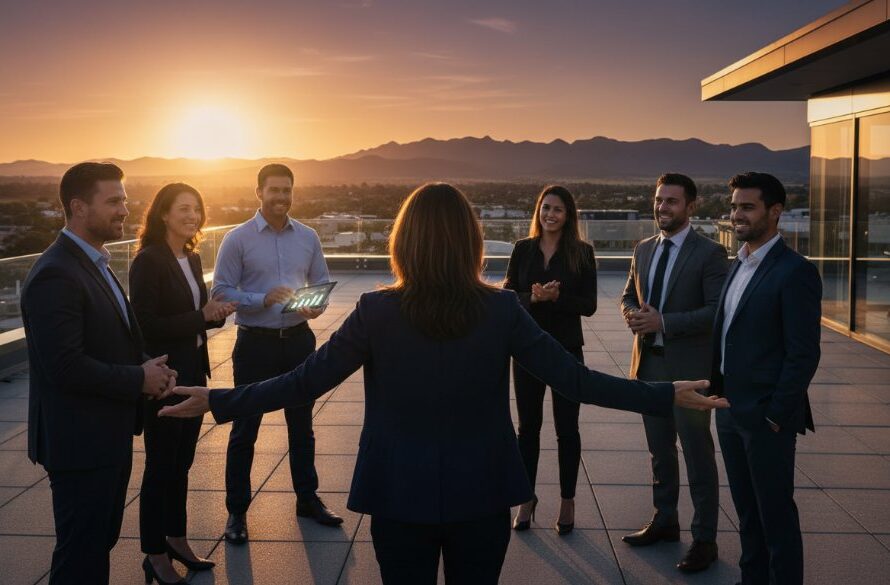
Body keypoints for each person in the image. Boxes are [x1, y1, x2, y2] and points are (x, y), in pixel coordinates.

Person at [160, 182, 729, 585]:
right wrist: (663, 391)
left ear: (404, 240)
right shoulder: (502, 309)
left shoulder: (376, 312)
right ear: (470, 240)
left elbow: (304, 382)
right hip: (481, 494)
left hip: (397, 492)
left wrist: (219, 400)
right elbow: (576, 382)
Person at [21, 162, 176, 585]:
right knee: (80, 557)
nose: (125, 209)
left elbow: (115, 336)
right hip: (79, 443)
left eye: (124, 199)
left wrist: (151, 368)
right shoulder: (56, 273)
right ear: (78, 207)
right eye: (113, 201)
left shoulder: (97, 261)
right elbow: (64, 367)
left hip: (106, 435)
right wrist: (136, 379)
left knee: (96, 543)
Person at [212, 163, 341, 544]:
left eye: (287, 190)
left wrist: (314, 305)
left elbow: (319, 283)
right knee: (244, 428)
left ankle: (307, 499)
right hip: (255, 344)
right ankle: (236, 512)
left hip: (299, 340)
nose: (281, 197)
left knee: (302, 427)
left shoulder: (308, 236)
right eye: (274, 190)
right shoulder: (237, 239)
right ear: (259, 192)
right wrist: (260, 298)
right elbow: (221, 292)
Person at [711, 172, 821, 585]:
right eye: (735, 206)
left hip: (766, 419)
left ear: (775, 212)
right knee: (747, 515)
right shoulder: (736, 263)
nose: (737, 214)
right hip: (729, 410)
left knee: (775, 517)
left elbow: (803, 352)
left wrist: (776, 413)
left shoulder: (795, 272)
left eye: (747, 207)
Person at [619, 173, 728, 572]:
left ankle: (705, 540)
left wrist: (665, 322)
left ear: (691, 206)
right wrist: (633, 315)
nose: (662, 207)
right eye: (659, 200)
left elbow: (718, 311)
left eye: (672, 201)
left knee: (698, 454)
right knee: (659, 450)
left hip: (690, 371)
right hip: (649, 365)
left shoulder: (710, 254)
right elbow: (629, 295)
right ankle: (665, 520)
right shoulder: (643, 248)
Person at [129, 183, 237, 584]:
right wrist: (200, 316)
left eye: (197, 208)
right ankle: (154, 554)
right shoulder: (149, 261)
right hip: (165, 376)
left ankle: (176, 538)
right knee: (160, 467)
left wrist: (216, 314)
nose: (192, 216)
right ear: (163, 214)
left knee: (182, 464)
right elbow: (145, 325)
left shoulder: (190, 258)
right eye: (183, 209)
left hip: (194, 371)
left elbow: (198, 315)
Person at [503, 185, 597, 535]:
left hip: (565, 350)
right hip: (527, 349)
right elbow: (509, 295)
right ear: (538, 211)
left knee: (566, 429)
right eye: (545, 208)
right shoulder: (522, 249)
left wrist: (556, 299)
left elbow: (589, 304)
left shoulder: (582, 253)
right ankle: (526, 498)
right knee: (528, 429)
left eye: (557, 209)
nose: (550, 215)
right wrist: (534, 297)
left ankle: (567, 500)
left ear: (568, 215)